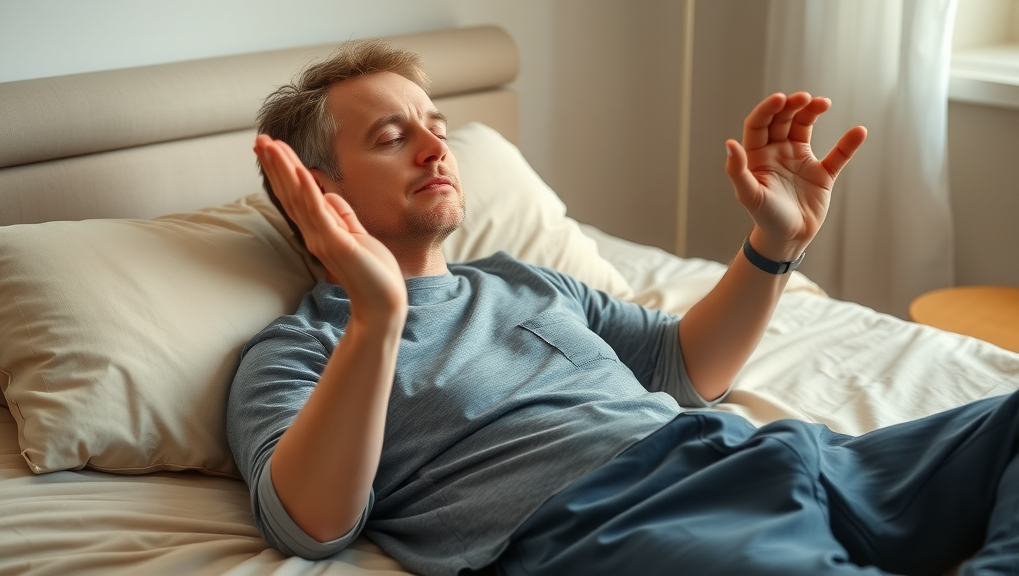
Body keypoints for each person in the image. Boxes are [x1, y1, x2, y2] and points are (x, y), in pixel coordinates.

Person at [226, 39, 1019, 576]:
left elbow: (685, 368)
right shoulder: (298, 350)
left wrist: (774, 243)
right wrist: (377, 317)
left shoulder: (520, 281)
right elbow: (310, 526)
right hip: (620, 523)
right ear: (318, 192)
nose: (438, 148)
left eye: (436, 127)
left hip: (758, 456)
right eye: (393, 137)